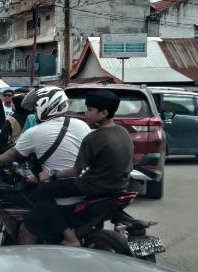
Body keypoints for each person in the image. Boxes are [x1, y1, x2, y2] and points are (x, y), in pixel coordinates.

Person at [20, 90, 133, 246]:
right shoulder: (123, 132)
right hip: (121, 186)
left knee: (44, 190)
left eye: (90, 110)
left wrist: (51, 175)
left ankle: (70, 237)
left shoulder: (94, 137)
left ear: (104, 113)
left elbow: (75, 171)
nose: (86, 113)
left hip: (93, 186)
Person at [0, 86, 92, 245]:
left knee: (26, 231)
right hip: (83, 187)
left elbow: (12, 155)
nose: (34, 110)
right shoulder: (82, 125)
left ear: (47, 105)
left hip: (59, 189)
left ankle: (28, 267)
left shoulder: (35, 132)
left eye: (36, 106)